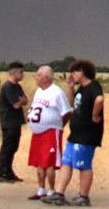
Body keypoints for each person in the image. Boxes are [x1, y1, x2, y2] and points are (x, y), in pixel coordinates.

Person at [43, 59, 103, 207]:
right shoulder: (81, 89)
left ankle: (84, 196)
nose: (72, 75)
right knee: (67, 162)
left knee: (83, 165)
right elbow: (72, 104)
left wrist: (95, 115)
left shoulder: (93, 86)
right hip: (75, 133)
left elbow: (99, 100)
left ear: (82, 71)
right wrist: (70, 88)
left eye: (74, 72)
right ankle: (59, 194)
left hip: (87, 134)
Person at [25, 65, 72, 201]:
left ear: (46, 78)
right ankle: (41, 189)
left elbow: (67, 112)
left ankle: (52, 190)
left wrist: (60, 125)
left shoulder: (56, 92)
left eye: (38, 75)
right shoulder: (39, 91)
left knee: (49, 162)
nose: (36, 78)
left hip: (51, 131)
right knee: (39, 161)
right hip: (38, 132)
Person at [0, 61, 29, 183]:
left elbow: (26, 100)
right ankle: (2, 172)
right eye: (21, 72)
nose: (22, 75)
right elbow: (16, 104)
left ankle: (9, 171)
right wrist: (21, 101)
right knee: (7, 147)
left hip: (15, 121)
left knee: (13, 147)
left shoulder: (17, 86)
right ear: (14, 73)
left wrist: (22, 101)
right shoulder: (8, 87)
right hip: (8, 121)